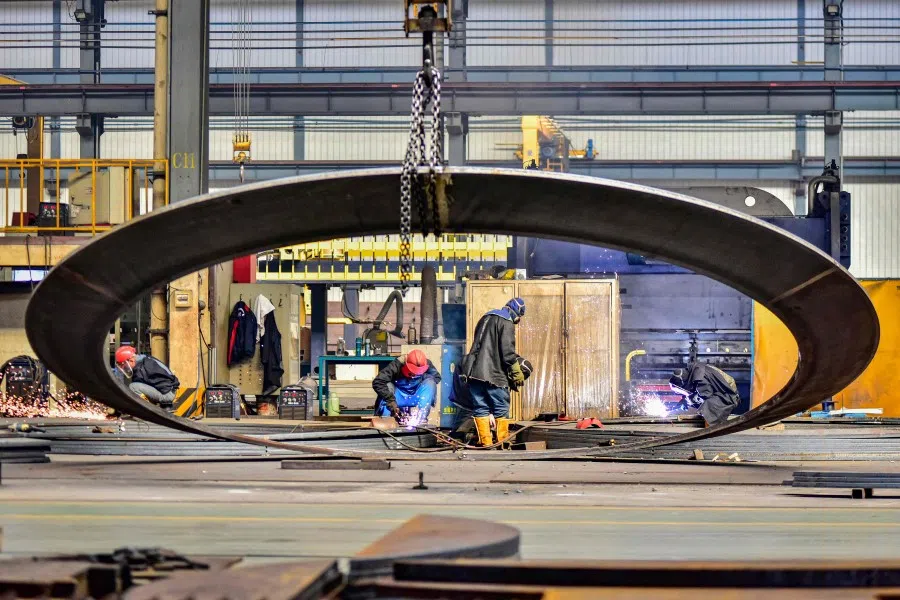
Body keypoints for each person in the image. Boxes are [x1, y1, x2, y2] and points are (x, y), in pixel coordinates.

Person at [459, 298, 526, 447]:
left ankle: (486, 442)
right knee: (501, 409)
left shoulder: (485, 317)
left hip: (474, 373)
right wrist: (516, 372)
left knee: (481, 408)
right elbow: (507, 352)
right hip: (494, 375)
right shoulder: (506, 322)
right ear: (516, 312)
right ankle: (502, 443)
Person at [450, 356, 533, 444]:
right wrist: (489, 413)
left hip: (472, 379)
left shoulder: (504, 364)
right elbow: (481, 396)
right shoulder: (493, 367)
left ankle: (482, 439)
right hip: (467, 384)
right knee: (470, 411)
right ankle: (459, 436)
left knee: (480, 411)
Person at [372, 349, 441, 426]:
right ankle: (385, 421)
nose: (414, 376)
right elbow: (378, 381)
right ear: (406, 364)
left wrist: (424, 376)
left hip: (416, 395)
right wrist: (390, 399)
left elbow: (437, 377)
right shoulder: (397, 365)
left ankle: (422, 421)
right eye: (412, 373)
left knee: (430, 383)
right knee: (388, 386)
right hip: (397, 396)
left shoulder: (426, 364)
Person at [669, 362, 740, 426]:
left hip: (729, 396)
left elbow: (706, 395)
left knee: (706, 406)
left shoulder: (700, 377)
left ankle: (710, 430)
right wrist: (685, 400)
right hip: (721, 392)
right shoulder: (695, 370)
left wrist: (689, 401)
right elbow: (696, 390)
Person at [113, 345, 180, 410]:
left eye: (123, 364)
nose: (123, 367)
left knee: (133, 387)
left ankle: (146, 411)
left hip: (167, 394)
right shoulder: (145, 360)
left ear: (131, 360)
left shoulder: (141, 368)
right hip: (168, 390)